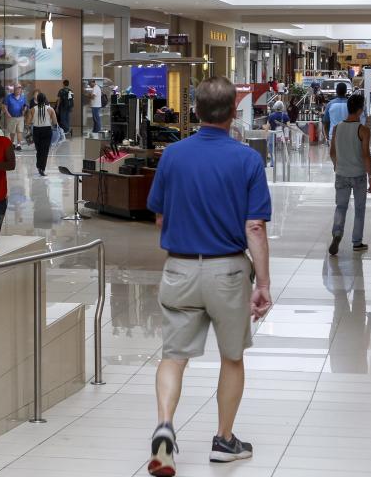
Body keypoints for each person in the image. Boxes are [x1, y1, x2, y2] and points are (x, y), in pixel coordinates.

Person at [145, 76, 272, 477]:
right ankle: (224, 440)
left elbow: (160, 215)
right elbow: (255, 227)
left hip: (180, 267)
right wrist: (264, 285)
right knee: (231, 356)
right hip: (228, 271)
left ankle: (165, 426)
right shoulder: (247, 159)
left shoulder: (173, 156)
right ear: (234, 112)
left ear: (195, 111)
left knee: (173, 356)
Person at [328, 94, 371, 255]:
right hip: (359, 175)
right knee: (359, 209)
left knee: (341, 207)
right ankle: (357, 242)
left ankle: (337, 233)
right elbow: (366, 155)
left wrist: (336, 166)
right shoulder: (363, 130)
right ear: (360, 109)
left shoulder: (337, 128)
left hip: (341, 173)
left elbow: (332, 152)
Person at [27, 92, 57, 176]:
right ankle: (42, 168)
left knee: (39, 149)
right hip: (47, 130)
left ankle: (38, 164)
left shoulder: (32, 109)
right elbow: (55, 122)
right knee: (45, 150)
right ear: (45, 99)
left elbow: (28, 122)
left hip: (36, 130)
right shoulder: (50, 109)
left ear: (37, 100)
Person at [3, 84, 28, 149]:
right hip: (12, 117)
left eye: (20, 89)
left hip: (20, 117)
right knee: (12, 131)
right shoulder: (9, 97)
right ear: (14, 89)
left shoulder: (23, 97)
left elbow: (26, 105)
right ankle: (13, 143)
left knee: (19, 131)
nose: (18, 90)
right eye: (17, 89)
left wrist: (24, 110)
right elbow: (5, 106)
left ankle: (19, 144)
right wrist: (7, 113)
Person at [266, 101, 290, 166]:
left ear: (275, 107)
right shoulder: (285, 116)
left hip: (273, 134)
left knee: (271, 148)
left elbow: (267, 128)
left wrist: (266, 136)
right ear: (282, 107)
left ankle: (272, 162)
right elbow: (288, 126)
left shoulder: (271, 116)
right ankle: (284, 162)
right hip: (282, 135)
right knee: (283, 148)